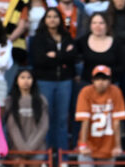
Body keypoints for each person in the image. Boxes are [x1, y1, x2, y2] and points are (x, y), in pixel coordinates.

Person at [29, 7, 77, 157]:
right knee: (46, 118)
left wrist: (54, 56)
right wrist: (62, 56)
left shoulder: (66, 36)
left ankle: (63, 155)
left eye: (55, 16)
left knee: (62, 119)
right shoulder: (38, 38)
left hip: (64, 82)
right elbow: (39, 60)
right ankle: (46, 155)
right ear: (45, 19)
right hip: (45, 81)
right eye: (49, 16)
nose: (52, 19)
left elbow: (72, 58)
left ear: (60, 19)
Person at [74, 65, 125, 167]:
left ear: (110, 80)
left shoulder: (115, 92)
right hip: (89, 147)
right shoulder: (85, 92)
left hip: (108, 147)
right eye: (97, 79)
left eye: (104, 79)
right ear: (92, 80)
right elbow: (85, 121)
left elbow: (117, 122)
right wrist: (83, 145)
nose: (101, 82)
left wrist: (117, 146)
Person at [4, 67, 49, 165]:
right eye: (22, 77)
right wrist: (23, 149)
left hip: (37, 149)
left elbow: (43, 127)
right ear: (16, 80)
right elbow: (12, 128)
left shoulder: (41, 100)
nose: (26, 81)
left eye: (29, 78)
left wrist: (30, 148)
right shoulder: (10, 101)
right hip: (16, 150)